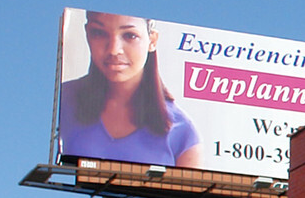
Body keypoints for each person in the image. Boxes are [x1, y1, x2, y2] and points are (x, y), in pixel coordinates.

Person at [58, 12, 203, 168]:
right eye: (99, 33)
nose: (114, 50)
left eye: (130, 36)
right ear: (87, 34)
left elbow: (190, 191)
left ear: (152, 40)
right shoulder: (62, 100)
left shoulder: (182, 131)